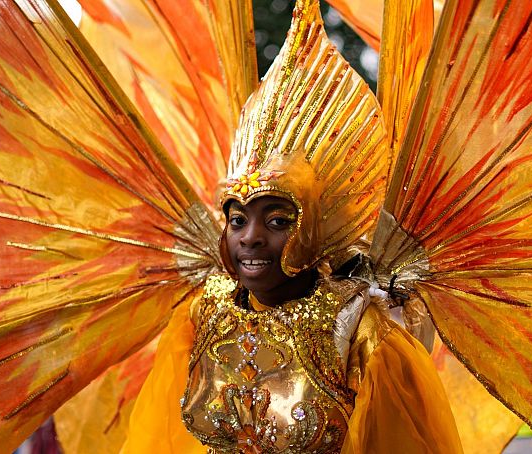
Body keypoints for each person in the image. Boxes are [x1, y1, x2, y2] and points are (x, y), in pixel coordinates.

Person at [120, 2, 462, 452]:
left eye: (278, 220)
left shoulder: (359, 328)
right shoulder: (201, 315)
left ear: (316, 229)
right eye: (237, 219)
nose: (251, 237)